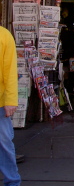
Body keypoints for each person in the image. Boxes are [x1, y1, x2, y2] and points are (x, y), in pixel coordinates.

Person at [0, 26, 21, 186]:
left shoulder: (4, 35)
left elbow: (10, 71)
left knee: (4, 143)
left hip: (0, 103)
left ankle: (12, 181)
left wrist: (10, 100)